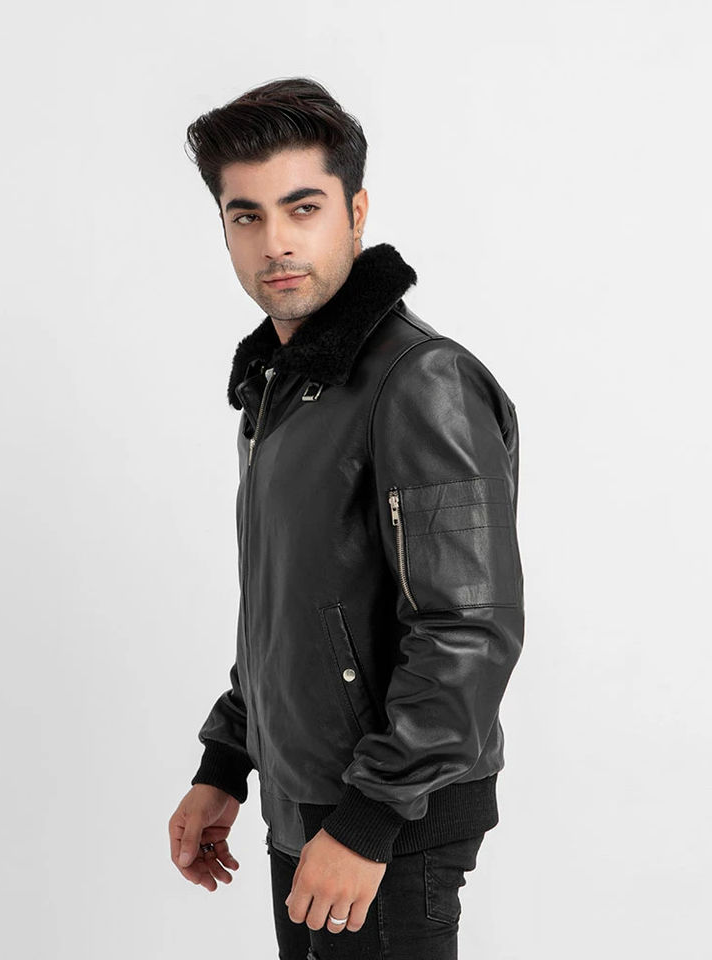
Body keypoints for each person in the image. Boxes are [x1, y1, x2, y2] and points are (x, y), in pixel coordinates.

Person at [168, 77, 525, 959]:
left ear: (355, 213)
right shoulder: (283, 392)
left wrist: (369, 821)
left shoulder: (420, 381)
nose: (276, 242)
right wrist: (227, 761)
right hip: (313, 803)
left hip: (386, 822)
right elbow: (290, 610)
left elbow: (467, 629)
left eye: (303, 207)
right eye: (246, 216)